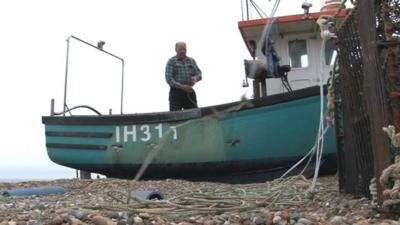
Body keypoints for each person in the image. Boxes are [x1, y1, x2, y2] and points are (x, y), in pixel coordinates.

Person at [165, 42, 202, 111]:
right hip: (176, 93)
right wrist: (182, 87)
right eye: (180, 49)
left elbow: (199, 73)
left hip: (189, 92)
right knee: (175, 116)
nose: (182, 51)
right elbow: (168, 79)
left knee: (194, 113)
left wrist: (196, 78)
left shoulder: (191, 60)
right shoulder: (171, 61)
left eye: (184, 49)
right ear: (176, 50)